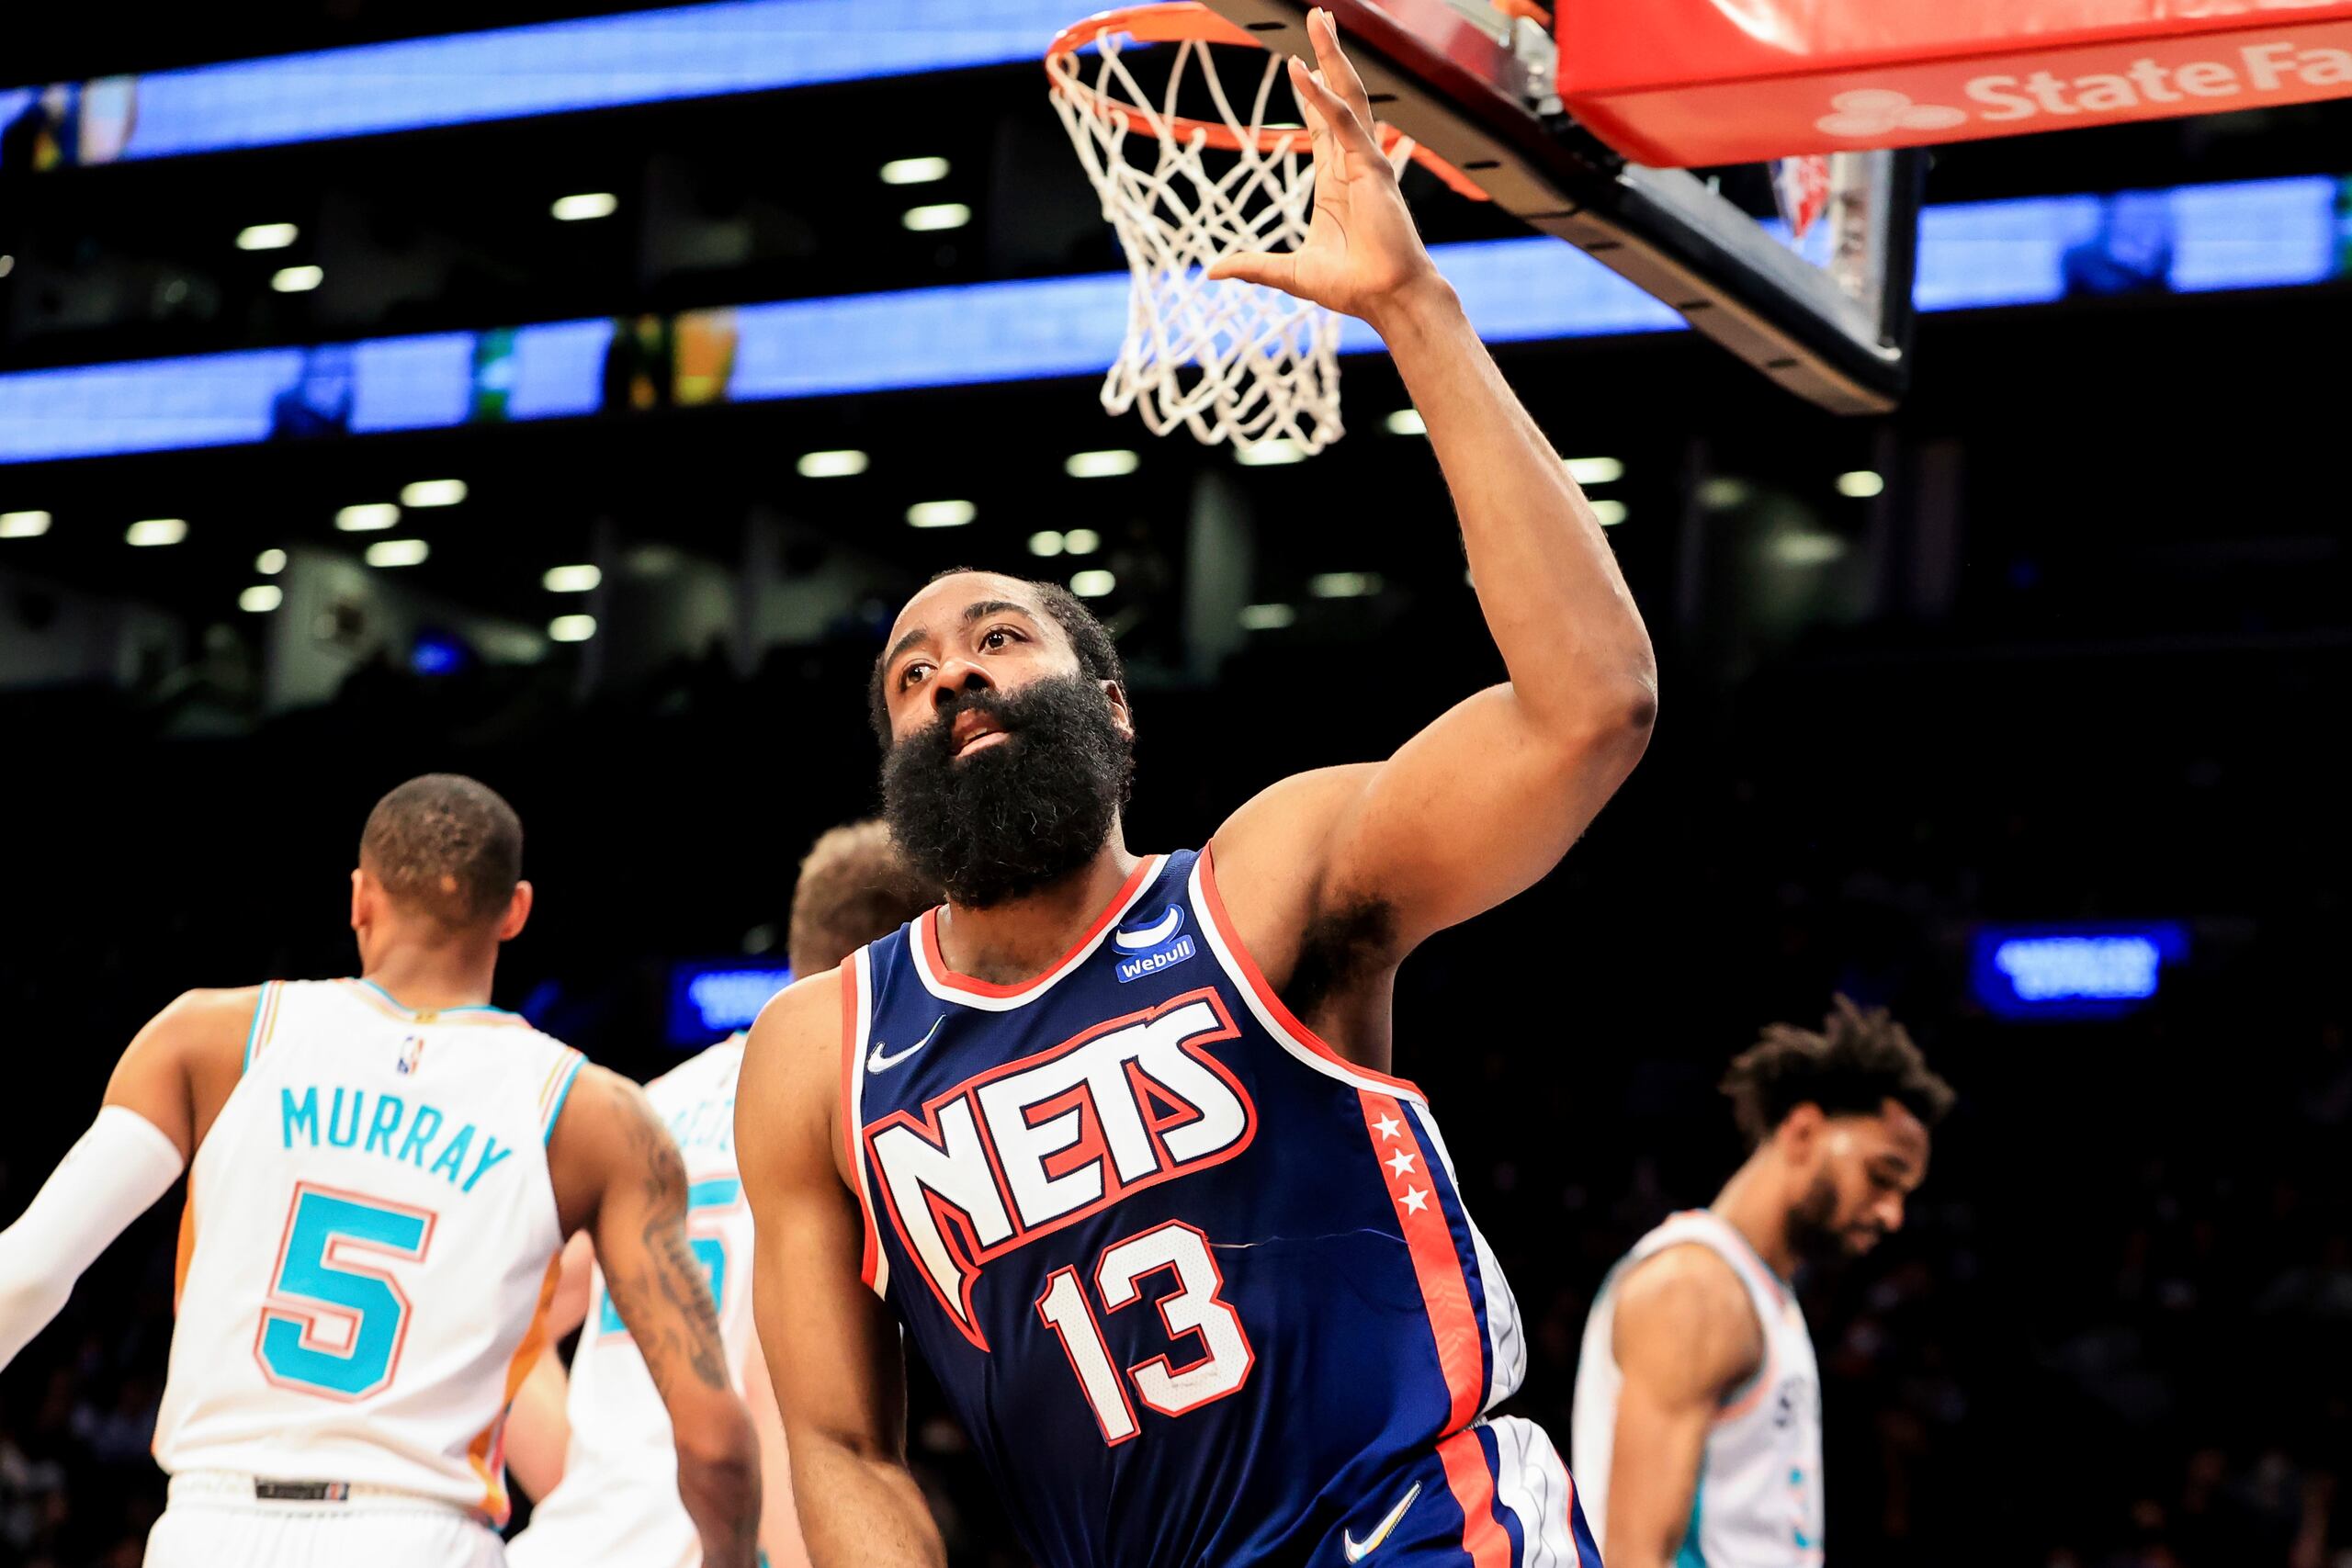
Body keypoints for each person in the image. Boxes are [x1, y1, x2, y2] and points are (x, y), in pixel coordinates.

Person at [735, 12, 1658, 1566]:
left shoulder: (1259, 883)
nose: (950, 672)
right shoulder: (819, 1054)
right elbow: (835, 1440)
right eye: (910, 672)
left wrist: (1418, 313)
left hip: (1418, 1532)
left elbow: (1592, 708)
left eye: (998, 640)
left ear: (1110, 714)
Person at [0, 774, 759, 1567]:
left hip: (209, 1524)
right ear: (515, 911)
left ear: (360, 898)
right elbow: (714, 1441)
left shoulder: (206, 1040)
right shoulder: (591, 1114)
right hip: (422, 1532)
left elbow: (23, 1274)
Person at [506, 820, 940, 1568]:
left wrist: (592, 1487)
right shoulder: (867, 1112)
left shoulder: (655, 1107)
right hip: (736, 1541)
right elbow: (783, 1379)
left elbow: (510, 1321)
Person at [1570, 997, 1955, 1568]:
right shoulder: (1696, 1290)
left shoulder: (1764, 1292)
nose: (1891, 1214)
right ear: (1802, 1132)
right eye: (1882, 1176)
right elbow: (1636, 1554)